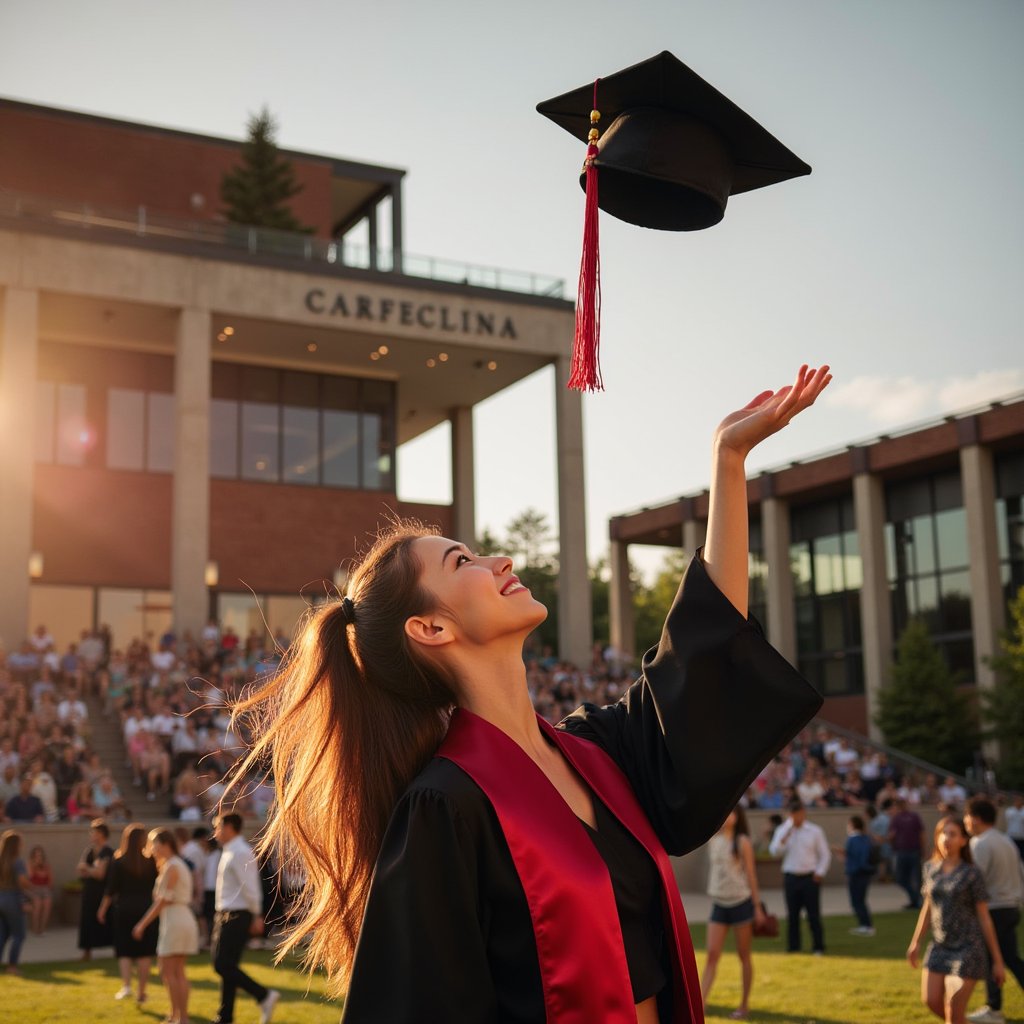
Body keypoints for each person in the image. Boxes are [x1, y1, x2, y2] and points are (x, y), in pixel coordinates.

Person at [226, 366, 830, 1021]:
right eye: (464, 563)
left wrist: (728, 461)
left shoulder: (596, 755)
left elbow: (704, 652)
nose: (501, 562)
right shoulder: (445, 809)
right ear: (430, 628)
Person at [907, 817, 1005, 1024]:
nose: (946, 838)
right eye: (943, 833)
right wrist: (916, 942)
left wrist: (997, 960)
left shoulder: (971, 873)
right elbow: (928, 907)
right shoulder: (930, 869)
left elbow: (985, 918)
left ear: (963, 840)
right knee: (932, 1001)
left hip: (968, 947)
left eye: (952, 834)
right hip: (940, 945)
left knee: (953, 1004)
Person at [211, 813, 279, 1024]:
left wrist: (256, 914)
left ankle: (263, 995)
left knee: (223, 965)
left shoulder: (240, 852)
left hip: (237, 915)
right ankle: (226, 1016)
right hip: (226, 914)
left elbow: (250, 886)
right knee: (227, 966)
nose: (215, 833)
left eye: (218, 827)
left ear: (229, 827)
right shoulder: (231, 850)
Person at [963, 797, 1024, 1024]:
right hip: (1011, 907)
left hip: (993, 910)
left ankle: (994, 1009)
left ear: (976, 818)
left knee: (990, 960)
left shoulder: (980, 843)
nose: (965, 822)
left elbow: (975, 881)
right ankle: (994, 1007)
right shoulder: (1006, 840)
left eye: (967, 816)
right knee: (1010, 958)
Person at [700, 805, 765, 1020]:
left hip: (741, 904)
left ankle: (744, 1005)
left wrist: (757, 907)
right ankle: (700, 1004)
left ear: (738, 817)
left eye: (731, 812)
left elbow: (752, 876)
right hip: (719, 904)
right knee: (712, 955)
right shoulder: (713, 839)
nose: (726, 816)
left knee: (743, 955)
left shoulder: (742, 842)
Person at [132, 829, 200, 1024]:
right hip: (177, 919)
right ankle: (175, 1015)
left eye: (154, 844)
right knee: (173, 971)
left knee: (171, 971)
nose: (152, 848)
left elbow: (162, 901)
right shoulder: (172, 865)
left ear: (164, 844)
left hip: (176, 920)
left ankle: (182, 1018)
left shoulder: (173, 866)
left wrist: (141, 925)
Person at [98, 824, 159, 1005]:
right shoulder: (151, 862)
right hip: (146, 909)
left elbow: (111, 889)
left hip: (123, 909)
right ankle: (142, 991)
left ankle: (126, 986)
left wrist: (102, 909)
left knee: (124, 949)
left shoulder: (119, 861)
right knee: (144, 952)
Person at [769, 797, 831, 955]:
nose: (796, 817)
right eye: (793, 814)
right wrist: (785, 836)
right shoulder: (782, 830)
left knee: (813, 915)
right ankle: (793, 947)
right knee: (792, 916)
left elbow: (825, 854)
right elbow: (774, 851)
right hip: (791, 877)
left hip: (810, 878)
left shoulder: (815, 831)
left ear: (803, 813)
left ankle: (818, 946)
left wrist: (820, 872)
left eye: (799, 814)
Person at [832, 814, 876, 936]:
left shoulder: (852, 839)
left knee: (857, 901)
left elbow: (849, 856)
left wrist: (838, 852)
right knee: (861, 900)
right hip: (865, 873)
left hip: (855, 873)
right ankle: (867, 925)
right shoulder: (866, 838)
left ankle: (865, 925)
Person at [76, 818, 114, 959]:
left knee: (106, 920)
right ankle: (87, 951)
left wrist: (88, 868)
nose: (91, 834)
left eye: (94, 832)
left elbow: (100, 874)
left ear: (101, 834)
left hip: (102, 892)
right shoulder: (90, 851)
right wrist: (90, 869)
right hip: (89, 891)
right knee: (87, 921)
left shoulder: (107, 852)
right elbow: (80, 868)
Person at [0, 830, 30, 974]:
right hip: (13, 899)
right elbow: (22, 881)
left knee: (2, 934)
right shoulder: (17, 861)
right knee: (19, 934)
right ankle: (12, 966)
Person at [891, 798, 926, 910]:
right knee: (901, 878)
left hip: (913, 851)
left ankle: (917, 901)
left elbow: (921, 833)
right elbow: (892, 835)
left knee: (916, 878)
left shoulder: (914, 817)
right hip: (901, 851)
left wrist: (923, 848)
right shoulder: (896, 818)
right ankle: (915, 899)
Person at [26, 844, 54, 935]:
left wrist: (48, 889)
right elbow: (29, 878)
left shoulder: (46, 865)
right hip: (33, 888)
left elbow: (50, 880)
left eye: (40, 855)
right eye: (36, 855)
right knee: (37, 904)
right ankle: (35, 928)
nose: (39, 857)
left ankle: (42, 928)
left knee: (47, 903)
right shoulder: (30, 864)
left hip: (45, 888)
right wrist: (35, 866)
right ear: (33, 856)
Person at [1004, 794, 1024, 861]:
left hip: (1022, 837)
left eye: (1020, 800)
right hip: (1011, 836)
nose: (1019, 802)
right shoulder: (1009, 811)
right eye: (1017, 800)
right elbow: (1008, 818)